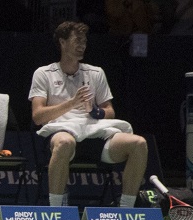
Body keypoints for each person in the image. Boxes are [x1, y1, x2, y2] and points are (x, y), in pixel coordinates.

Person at [29, 21, 149, 208]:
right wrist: (72, 103)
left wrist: (95, 111)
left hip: (95, 134)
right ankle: (56, 210)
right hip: (61, 133)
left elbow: (109, 112)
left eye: (84, 41)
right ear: (62, 42)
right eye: (77, 40)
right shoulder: (43, 73)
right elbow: (38, 116)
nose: (82, 45)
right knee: (65, 142)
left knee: (139, 144)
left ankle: (126, 209)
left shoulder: (96, 73)